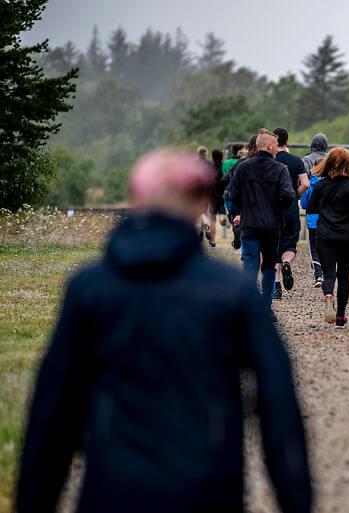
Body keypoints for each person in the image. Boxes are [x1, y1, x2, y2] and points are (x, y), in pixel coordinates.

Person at [16, 149, 312, 513]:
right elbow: (277, 397)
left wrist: (34, 498)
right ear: (202, 204)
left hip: (112, 486)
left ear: (136, 199)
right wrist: (295, 498)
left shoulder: (90, 290)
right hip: (207, 484)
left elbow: (53, 407)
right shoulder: (230, 292)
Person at [229, 130, 295, 313]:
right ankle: (266, 308)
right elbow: (289, 196)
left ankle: (248, 307)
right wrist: (278, 205)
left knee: (250, 266)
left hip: (249, 225)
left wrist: (244, 207)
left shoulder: (243, 168)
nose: (277, 149)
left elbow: (232, 195)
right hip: (271, 227)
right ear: (268, 146)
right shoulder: (280, 169)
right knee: (269, 267)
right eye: (275, 145)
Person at [307, 148, 349, 328]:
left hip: (325, 235)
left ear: (329, 163)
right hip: (347, 236)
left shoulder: (321, 185)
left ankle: (328, 296)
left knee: (329, 274)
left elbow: (311, 208)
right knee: (344, 276)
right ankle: (340, 317)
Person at [272, 128, 310, 300]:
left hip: (271, 208)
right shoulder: (296, 160)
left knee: (273, 245)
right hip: (290, 206)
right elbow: (306, 184)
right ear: (287, 141)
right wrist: (296, 193)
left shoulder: (270, 159)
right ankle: (287, 262)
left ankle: (277, 285)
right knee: (289, 242)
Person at [207, 148, 226, 248]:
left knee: (212, 219)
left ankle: (213, 241)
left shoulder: (210, 167)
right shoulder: (224, 166)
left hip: (212, 195)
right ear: (222, 156)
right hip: (222, 194)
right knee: (222, 214)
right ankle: (223, 220)